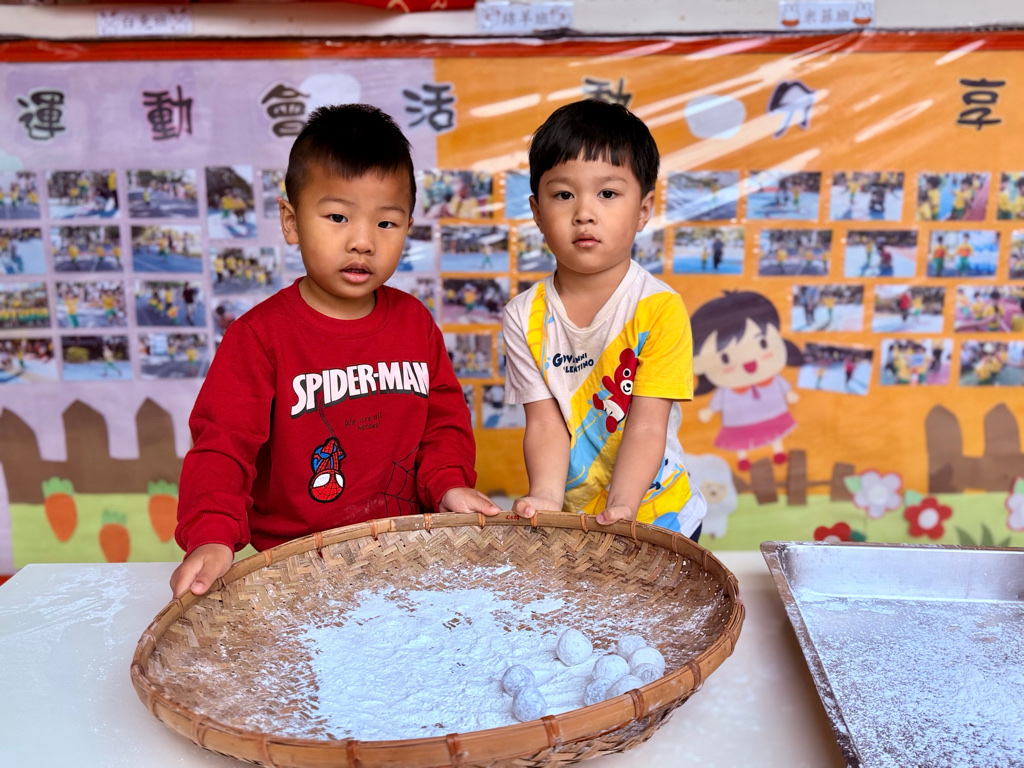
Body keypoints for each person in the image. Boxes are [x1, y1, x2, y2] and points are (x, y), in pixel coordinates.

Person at [171, 104, 498, 598]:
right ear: (291, 221)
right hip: (296, 569)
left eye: (386, 223)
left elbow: (443, 424)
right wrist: (212, 533)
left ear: (408, 226)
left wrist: (449, 484)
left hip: (406, 558)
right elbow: (223, 447)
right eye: (338, 217)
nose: (362, 242)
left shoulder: (415, 323)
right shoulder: (258, 336)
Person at [502, 99, 704, 540]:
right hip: (575, 521)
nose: (584, 213)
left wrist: (623, 508)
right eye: (564, 195)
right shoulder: (523, 316)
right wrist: (546, 499)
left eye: (607, 194)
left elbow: (647, 424)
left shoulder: (659, 308)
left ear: (644, 210)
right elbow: (545, 423)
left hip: (658, 515)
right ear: (536, 212)